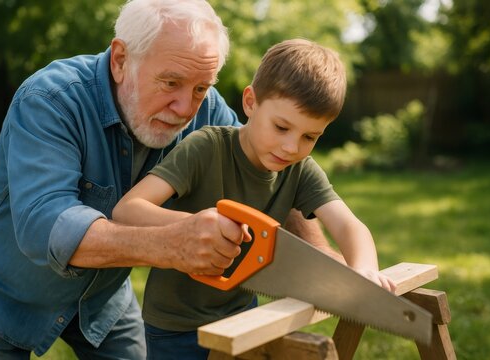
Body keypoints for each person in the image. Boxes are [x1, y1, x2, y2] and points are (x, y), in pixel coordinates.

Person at [0, 0, 338, 358]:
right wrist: (170, 243)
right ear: (121, 59)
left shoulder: (207, 110)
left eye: (201, 88)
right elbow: (44, 225)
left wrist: (326, 263)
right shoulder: (52, 99)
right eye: (170, 83)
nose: (187, 108)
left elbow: (264, 169)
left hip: (102, 299)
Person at [112, 38, 397, 359]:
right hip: (176, 324)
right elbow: (127, 211)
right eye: (281, 127)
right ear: (251, 102)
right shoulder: (206, 148)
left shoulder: (300, 168)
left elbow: (348, 226)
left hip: (243, 316)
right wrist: (191, 226)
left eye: (309, 137)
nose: (291, 147)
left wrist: (364, 271)